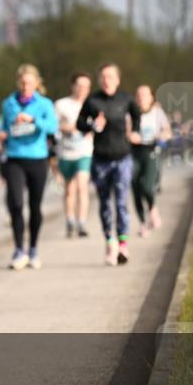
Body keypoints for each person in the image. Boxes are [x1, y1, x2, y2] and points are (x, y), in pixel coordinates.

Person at [76, 63, 141, 266]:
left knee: (121, 202)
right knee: (105, 203)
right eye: (103, 77)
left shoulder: (125, 99)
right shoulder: (92, 100)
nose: (106, 80)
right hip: (101, 159)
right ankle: (110, 242)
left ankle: (123, 244)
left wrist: (135, 131)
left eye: (110, 77)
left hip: (122, 157)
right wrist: (92, 126)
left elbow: (137, 114)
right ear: (99, 80)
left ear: (118, 80)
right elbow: (79, 122)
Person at [0, 64, 58, 270]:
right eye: (23, 83)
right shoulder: (8, 103)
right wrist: (2, 134)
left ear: (36, 84)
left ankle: (33, 248)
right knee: (16, 204)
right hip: (15, 158)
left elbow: (53, 127)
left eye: (29, 83)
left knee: (35, 207)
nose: (25, 86)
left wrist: (33, 119)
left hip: (37, 158)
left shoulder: (44, 104)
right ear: (18, 83)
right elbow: (3, 127)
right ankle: (18, 250)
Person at [55, 73, 94, 238]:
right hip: (66, 152)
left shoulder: (93, 105)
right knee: (69, 189)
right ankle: (70, 220)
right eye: (79, 85)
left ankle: (82, 223)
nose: (82, 89)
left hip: (84, 151)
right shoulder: (61, 104)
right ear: (73, 86)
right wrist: (67, 127)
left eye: (86, 86)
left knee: (82, 185)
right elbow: (53, 126)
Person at [131, 85, 171, 237]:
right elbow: (126, 131)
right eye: (138, 95)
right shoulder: (131, 113)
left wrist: (162, 136)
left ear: (151, 97)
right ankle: (143, 223)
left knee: (147, 187)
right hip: (134, 153)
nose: (141, 98)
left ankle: (153, 208)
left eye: (145, 95)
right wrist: (130, 136)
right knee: (135, 188)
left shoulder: (157, 112)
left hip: (151, 152)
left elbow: (167, 131)